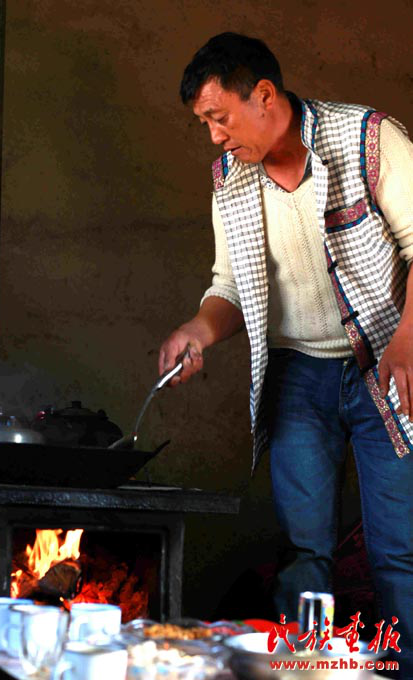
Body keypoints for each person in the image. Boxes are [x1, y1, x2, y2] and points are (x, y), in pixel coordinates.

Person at [158, 32, 413, 677]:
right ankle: (306, 675)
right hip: (298, 373)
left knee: (399, 551)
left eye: (220, 117)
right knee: (304, 553)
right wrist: (197, 331)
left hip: (387, 362)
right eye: (205, 123)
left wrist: (409, 340)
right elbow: (228, 286)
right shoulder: (230, 177)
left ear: (265, 95)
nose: (214, 136)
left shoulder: (368, 139)